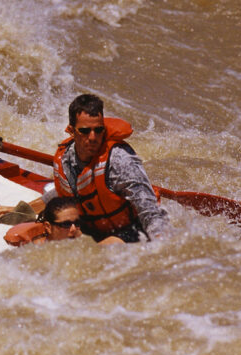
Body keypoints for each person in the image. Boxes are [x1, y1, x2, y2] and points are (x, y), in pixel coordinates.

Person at [44, 93, 169, 243]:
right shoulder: (64, 161)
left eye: (98, 130)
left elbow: (150, 212)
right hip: (93, 230)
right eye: (84, 131)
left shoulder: (119, 160)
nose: (92, 137)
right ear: (71, 131)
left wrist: (161, 244)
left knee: (108, 244)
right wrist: (25, 210)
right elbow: (63, 194)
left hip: (133, 229)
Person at [2, 195, 85, 247]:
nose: (74, 229)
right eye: (66, 224)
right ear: (48, 227)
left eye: (77, 223)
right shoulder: (35, 250)